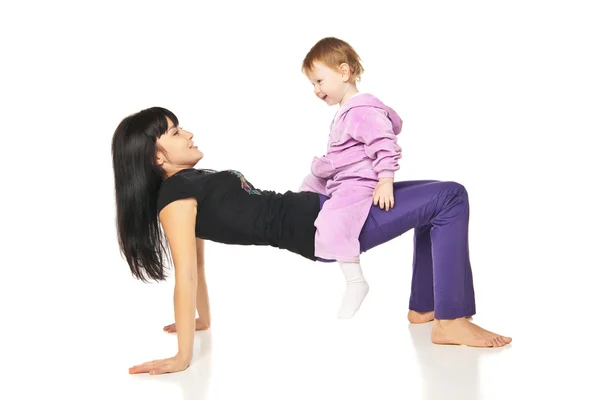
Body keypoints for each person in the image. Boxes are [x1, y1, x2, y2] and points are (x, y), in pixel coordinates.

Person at [111, 107, 511, 375]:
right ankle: (451, 320)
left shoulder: (188, 183)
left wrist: (203, 320)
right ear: (155, 158)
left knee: (440, 196)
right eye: (176, 132)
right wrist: (182, 357)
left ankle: (427, 309)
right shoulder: (175, 200)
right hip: (325, 228)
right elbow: (187, 272)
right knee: (450, 196)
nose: (189, 133)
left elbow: (198, 265)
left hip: (328, 207)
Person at [299, 37, 402, 319]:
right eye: (313, 84)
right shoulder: (347, 110)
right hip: (339, 174)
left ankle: (356, 280)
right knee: (303, 193)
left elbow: (384, 144)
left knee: (334, 219)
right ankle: (298, 224)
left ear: (344, 73)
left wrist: (385, 180)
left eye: (319, 81)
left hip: (359, 180)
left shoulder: (362, 111)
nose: (316, 90)